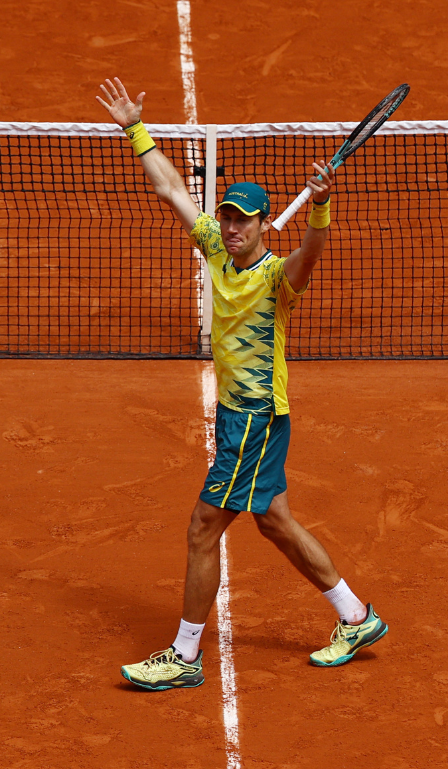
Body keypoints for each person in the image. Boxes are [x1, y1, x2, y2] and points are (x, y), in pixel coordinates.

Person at [96, 78, 388, 690]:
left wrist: (320, 204)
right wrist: (135, 130)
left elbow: (312, 253)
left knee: (204, 526)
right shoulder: (214, 248)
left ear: (262, 226)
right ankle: (354, 615)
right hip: (244, 414)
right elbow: (171, 187)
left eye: (243, 221)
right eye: (227, 217)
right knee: (275, 519)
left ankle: (183, 656)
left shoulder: (281, 279)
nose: (230, 228)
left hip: (254, 416)